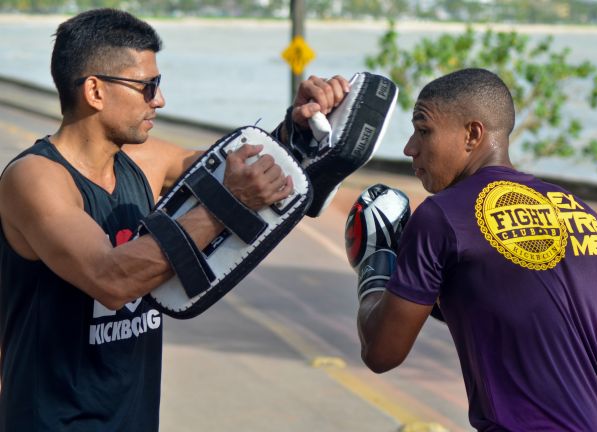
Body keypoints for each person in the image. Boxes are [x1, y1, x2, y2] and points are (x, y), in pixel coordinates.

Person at [0, 8, 349, 432]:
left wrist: (298, 128)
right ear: (94, 90)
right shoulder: (34, 178)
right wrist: (224, 205)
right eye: (148, 86)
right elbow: (111, 280)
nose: (159, 100)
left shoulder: (145, 162)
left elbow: (240, 168)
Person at [347, 68, 597, 431]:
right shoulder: (584, 214)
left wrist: (375, 266)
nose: (410, 148)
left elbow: (381, 352)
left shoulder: (442, 215)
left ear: (473, 134)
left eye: (424, 130)